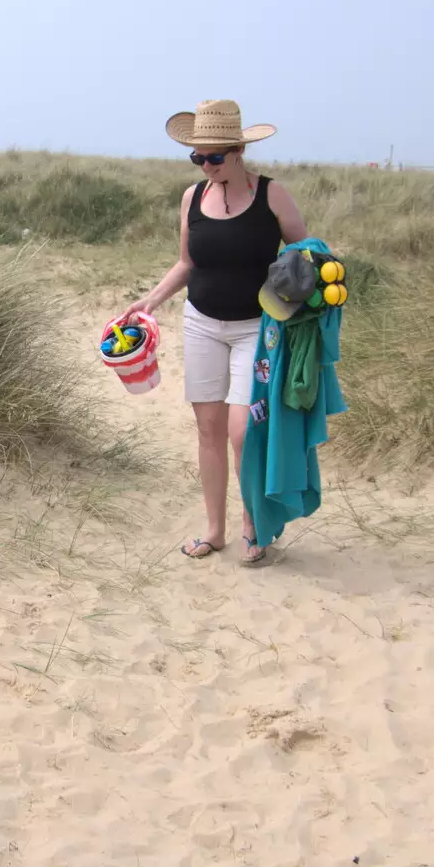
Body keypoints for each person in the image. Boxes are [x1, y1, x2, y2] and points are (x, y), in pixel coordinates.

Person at [126, 100, 307, 564]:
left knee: (243, 430)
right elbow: (187, 262)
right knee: (208, 430)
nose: (206, 166)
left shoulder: (272, 195)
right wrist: (150, 300)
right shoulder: (192, 198)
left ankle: (253, 525)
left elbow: (305, 256)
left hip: (256, 329)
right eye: (198, 158)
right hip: (202, 323)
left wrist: (302, 300)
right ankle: (215, 529)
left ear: (239, 150)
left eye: (214, 157)